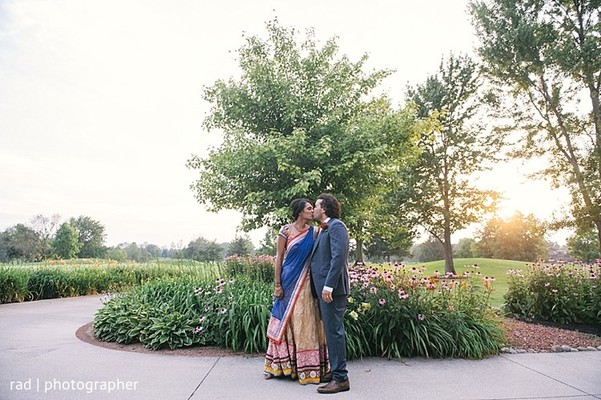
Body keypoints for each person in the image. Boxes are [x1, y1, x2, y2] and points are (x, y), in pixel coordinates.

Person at [263, 198, 330, 385]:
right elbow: (279, 258)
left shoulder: (316, 232)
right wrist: (277, 284)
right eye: (309, 209)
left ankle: (309, 368)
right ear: (300, 212)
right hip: (287, 281)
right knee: (284, 320)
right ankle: (278, 365)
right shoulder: (285, 231)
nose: (312, 211)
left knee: (306, 320)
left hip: (307, 283)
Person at [310, 193, 351, 394]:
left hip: (332, 290)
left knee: (334, 332)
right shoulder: (324, 228)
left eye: (316, 205)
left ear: (324, 208)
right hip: (324, 289)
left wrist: (328, 286)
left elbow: (338, 258)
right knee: (331, 331)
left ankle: (341, 379)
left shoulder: (337, 226)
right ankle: (336, 371)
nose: (314, 209)